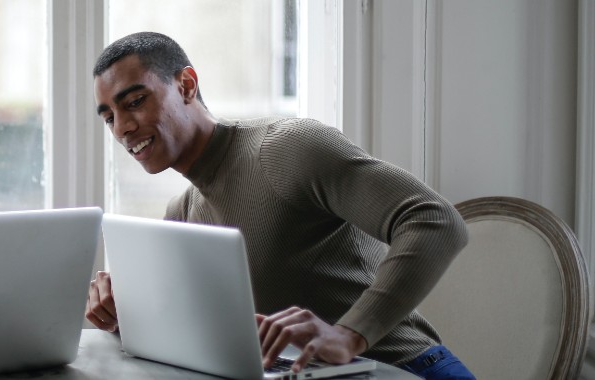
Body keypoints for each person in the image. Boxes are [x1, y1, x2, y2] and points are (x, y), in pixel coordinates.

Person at [85, 31, 475, 380]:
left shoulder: (285, 149)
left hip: (406, 368)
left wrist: (349, 335)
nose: (122, 128)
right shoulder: (183, 212)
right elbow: (185, 334)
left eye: (134, 101)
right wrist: (121, 307)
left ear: (186, 85)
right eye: (109, 118)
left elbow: (436, 220)